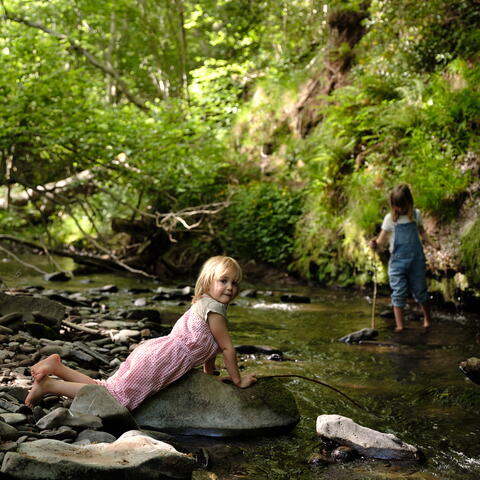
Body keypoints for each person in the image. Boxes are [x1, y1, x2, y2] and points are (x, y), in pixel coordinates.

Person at [25, 256, 257, 410]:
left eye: (235, 283)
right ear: (207, 283)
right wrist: (238, 381)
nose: (230, 287)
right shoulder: (215, 311)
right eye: (223, 281)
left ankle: (58, 367)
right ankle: (50, 386)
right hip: (162, 360)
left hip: (157, 353)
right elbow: (227, 348)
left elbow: (209, 349)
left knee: (108, 388)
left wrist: (211, 376)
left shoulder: (205, 303)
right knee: (117, 399)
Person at [369, 184, 438, 333]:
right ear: (392, 205)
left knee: (421, 291)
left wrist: (433, 244)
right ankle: (400, 325)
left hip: (416, 261)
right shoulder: (390, 219)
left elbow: (422, 233)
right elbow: (382, 242)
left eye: (402, 206)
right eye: (396, 206)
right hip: (397, 262)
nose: (400, 209)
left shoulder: (416, 214)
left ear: (409, 202)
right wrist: (375, 245)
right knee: (398, 292)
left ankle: (427, 318)